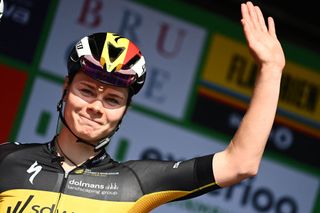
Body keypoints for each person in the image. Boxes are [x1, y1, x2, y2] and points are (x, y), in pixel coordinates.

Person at [0, 1, 285, 212]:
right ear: (66, 89)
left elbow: (240, 163)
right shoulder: (8, 160)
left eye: (113, 99)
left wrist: (271, 68)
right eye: (86, 90)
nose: (96, 107)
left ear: (126, 110)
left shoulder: (136, 182)